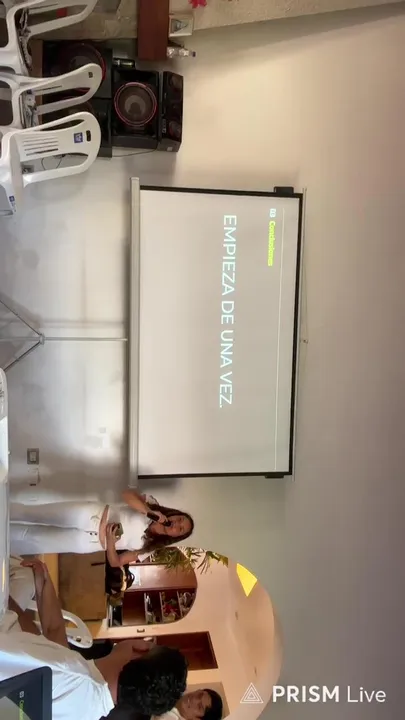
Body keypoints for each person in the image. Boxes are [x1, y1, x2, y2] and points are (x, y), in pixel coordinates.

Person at [0, 558, 188, 720]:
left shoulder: (69, 673)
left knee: (19, 575)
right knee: (27, 578)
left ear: (141, 649)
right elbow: (55, 638)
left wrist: (5, 597)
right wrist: (44, 584)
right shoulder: (90, 707)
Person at [9, 489, 194, 561]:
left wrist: (111, 544)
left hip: (86, 543)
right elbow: (127, 494)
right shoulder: (152, 504)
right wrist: (150, 513)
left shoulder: (149, 549)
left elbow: (116, 562)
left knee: (33, 538)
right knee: (32, 513)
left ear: (175, 537)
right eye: (180, 519)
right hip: (89, 514)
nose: (176, 524)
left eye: (180, 529)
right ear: (175, 513)